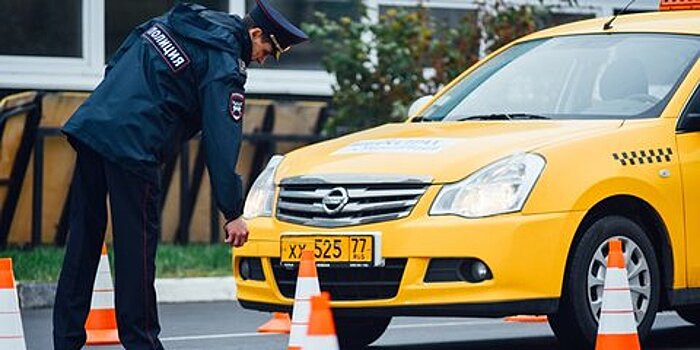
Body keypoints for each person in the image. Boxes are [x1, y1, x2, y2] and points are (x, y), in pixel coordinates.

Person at [53, 1, 308, 349]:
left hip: (94, 127)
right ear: (255, 33)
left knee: (83, 240)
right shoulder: (224, 62)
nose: (264, 58)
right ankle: (142, 343)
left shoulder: (180, 20)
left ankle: (65, 340)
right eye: (269, 50)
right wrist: (232, 212)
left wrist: (113, 107)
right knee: (136, 252)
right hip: (135, 148)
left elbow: (118, 60)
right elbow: (221, 140)